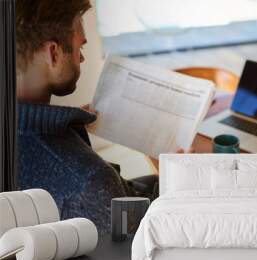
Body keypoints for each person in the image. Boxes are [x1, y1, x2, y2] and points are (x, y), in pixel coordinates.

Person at [16, 0, 189, 234]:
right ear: (53, 54)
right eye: (80, 49)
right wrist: (175, 178)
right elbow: (149, 247)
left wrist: (68, 125)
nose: (82, 59)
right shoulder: (88, 180)